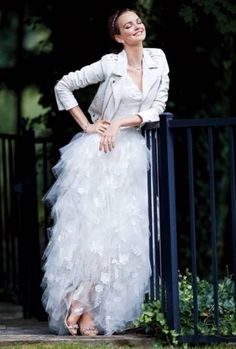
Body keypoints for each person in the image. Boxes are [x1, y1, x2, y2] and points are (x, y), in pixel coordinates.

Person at [41, 7, 169, 337]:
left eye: (138, 21)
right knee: (95, 232)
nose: (137, 27)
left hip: (129, 151)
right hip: (98, 153)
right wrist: (87, 126)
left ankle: (87, 311)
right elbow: (64, 86)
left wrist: (119, 122)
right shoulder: (110, 64)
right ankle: (81, 305)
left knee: (119, 235)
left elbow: (157, 108)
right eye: (129, 25)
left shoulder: (158, 59)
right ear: (118, 36)